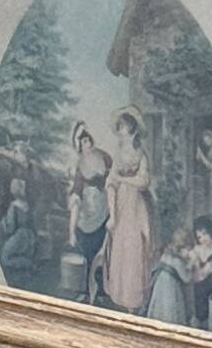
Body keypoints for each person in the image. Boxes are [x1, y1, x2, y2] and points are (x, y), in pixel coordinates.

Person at [98, 106, 154, 314]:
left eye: (122, 128)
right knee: (120, 249)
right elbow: (110, 183)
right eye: (119, 128)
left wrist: (123, 179)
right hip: (121, 204)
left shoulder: (141, 153)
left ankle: (134, 301)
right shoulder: (119, 153)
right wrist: (112, 215)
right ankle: (121, 298)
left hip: (137, 205)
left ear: (132, 130)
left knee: (135, 248)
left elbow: (144, 181)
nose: (120, 132)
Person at [63, 119, 111, 298]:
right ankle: (85, 288)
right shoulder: (80, 165)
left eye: (88, 140)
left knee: (103, 249)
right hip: (87, 211)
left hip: (104, 208)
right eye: (83, 142)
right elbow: (77, 189)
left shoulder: (104, 157)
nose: (88, 144)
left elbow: (113, 179)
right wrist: (75, 202)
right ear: (79, 146)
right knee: (88, 251)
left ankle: (101, 288)